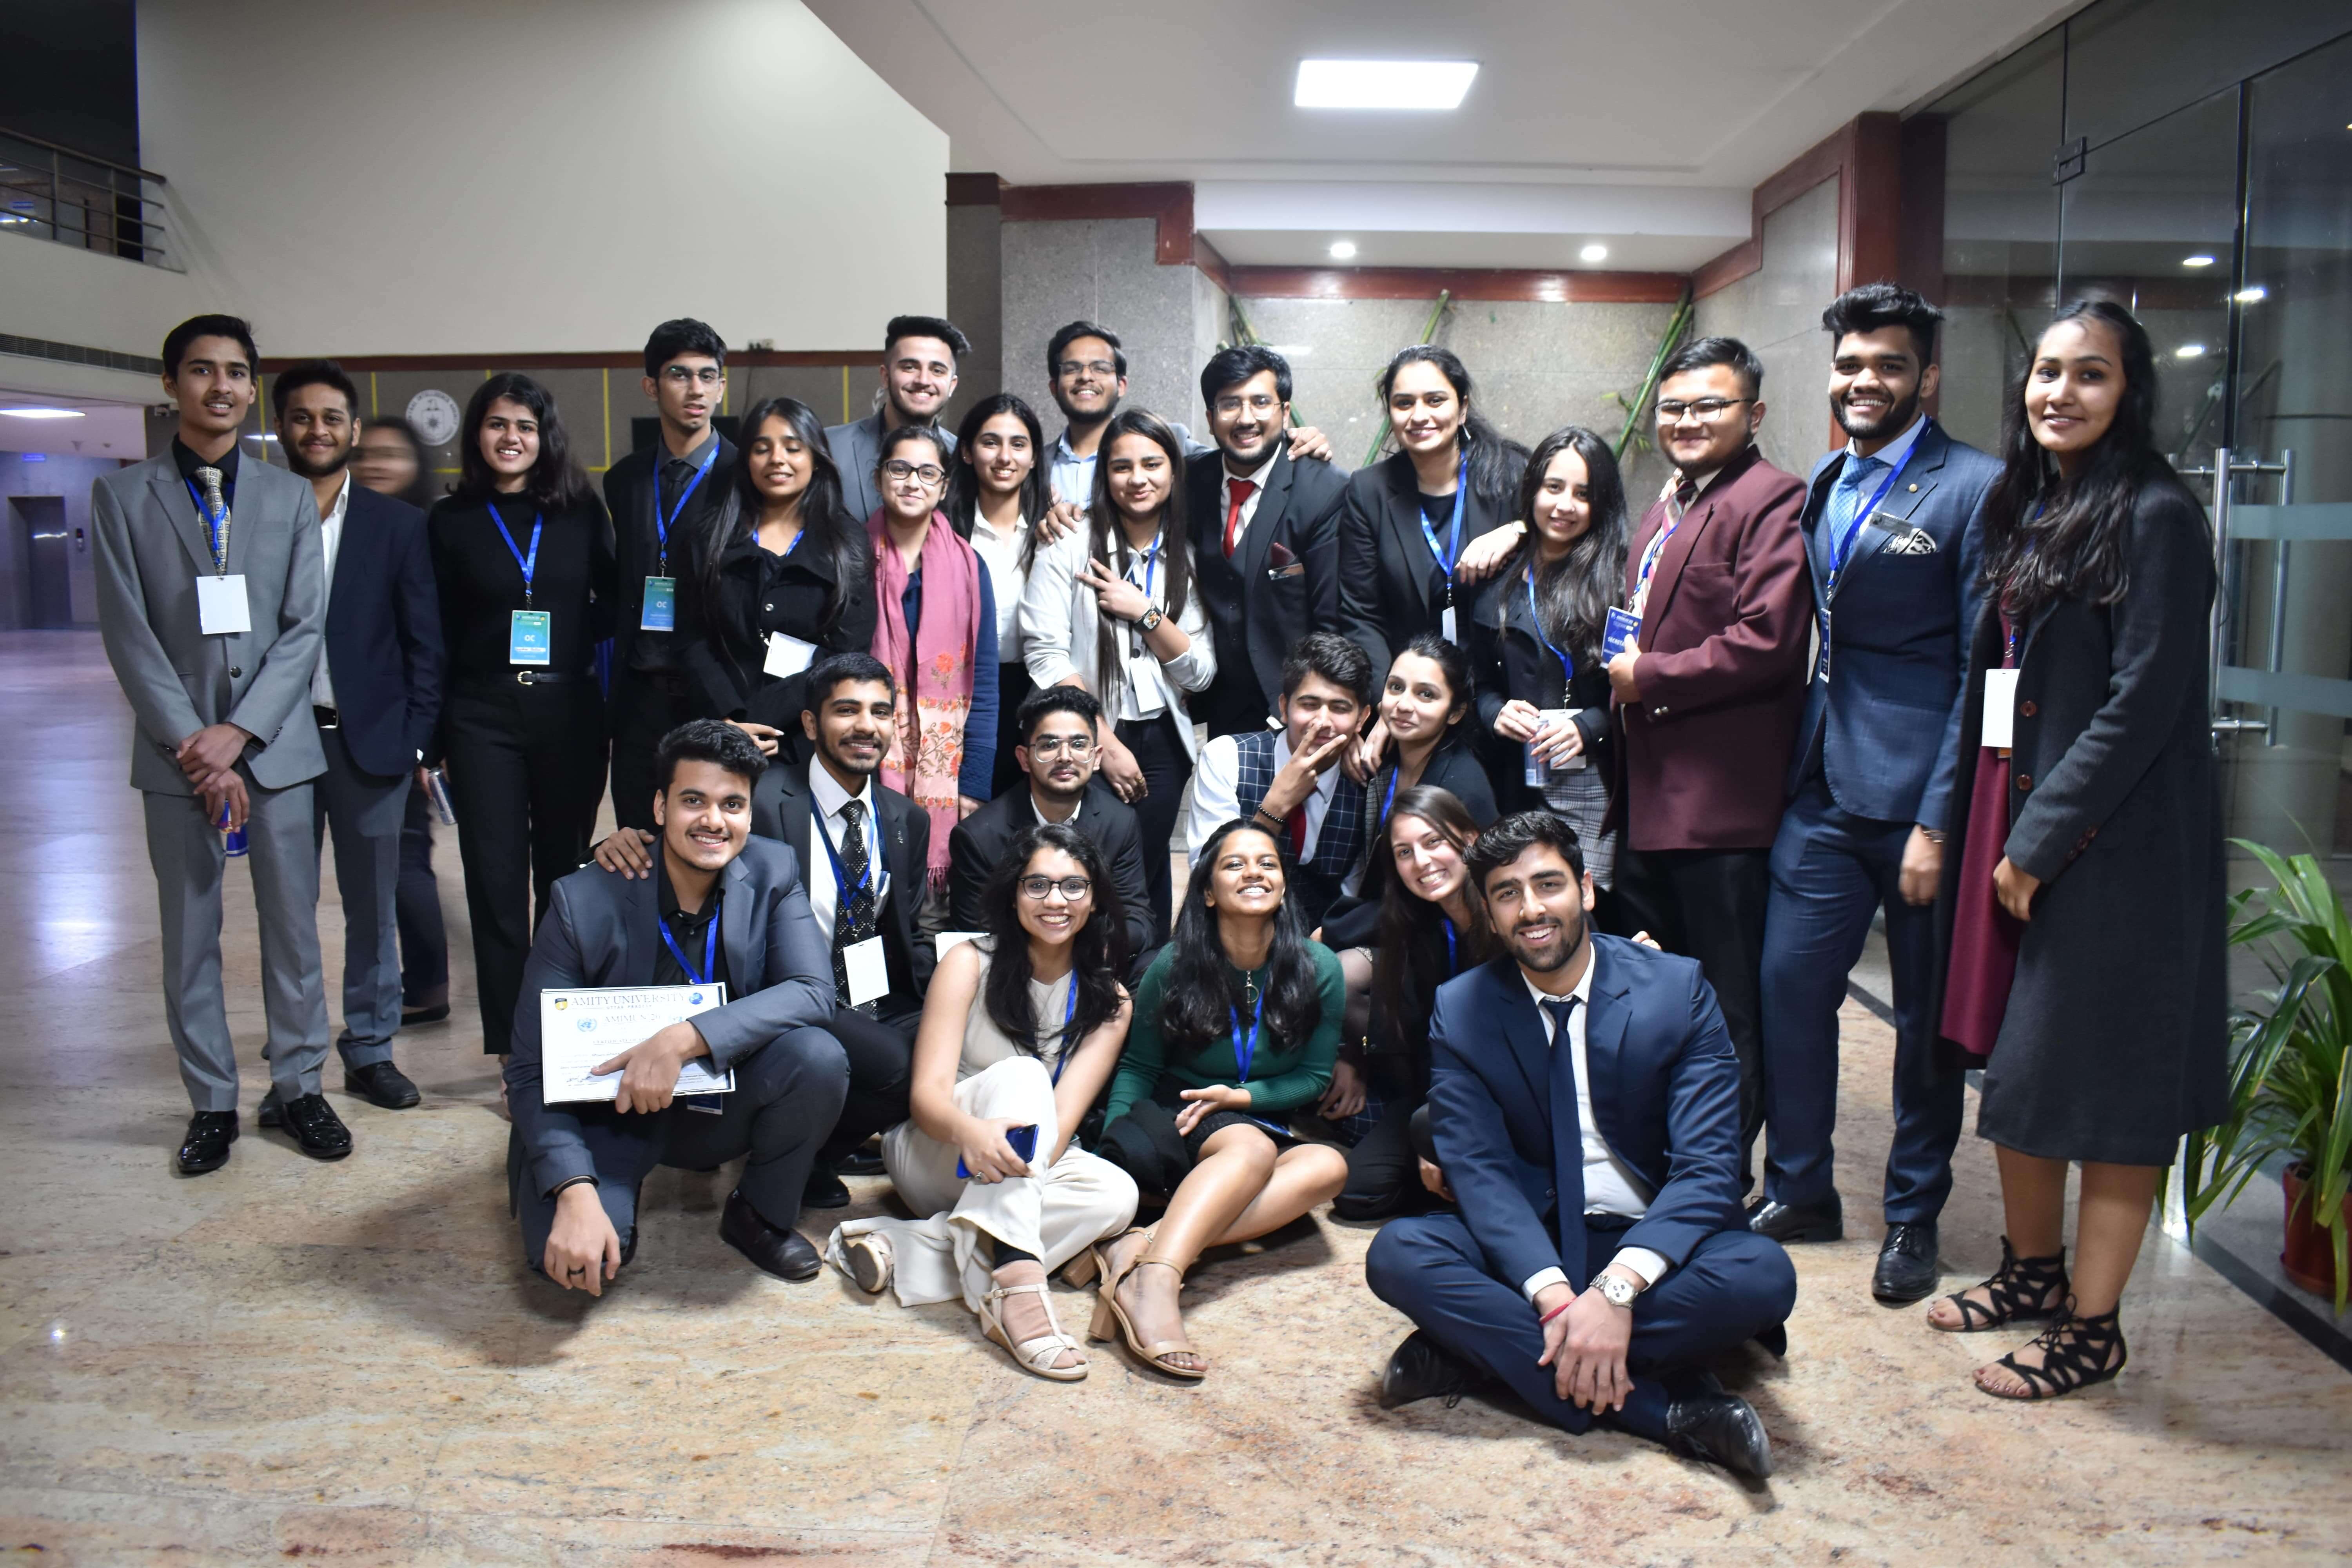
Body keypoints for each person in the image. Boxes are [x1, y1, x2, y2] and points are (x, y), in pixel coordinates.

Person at [1923, 299, 2224, 1401]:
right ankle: (2033, 1271)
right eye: (2047, 371)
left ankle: (2094, 1328)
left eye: (2090, 374)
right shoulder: (2042, 504)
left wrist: (2038, 843)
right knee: (2025, 1072)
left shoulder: (2157, 515)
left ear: (2130, 391)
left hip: (2116, 852)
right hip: (2022, 821)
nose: (2060, 392)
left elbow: (2143, 705)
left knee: (2112, 1090)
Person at [1365, 811, 1798, 1479]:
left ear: (1587, 890)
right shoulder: (1463, 1007)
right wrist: (1560, 1302)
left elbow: (1708, 1170)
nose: (1531, 910)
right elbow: (1481, 1174)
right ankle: (1671, 1411)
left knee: (1763, 1275)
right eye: (1507, 894)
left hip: (1654, 1240)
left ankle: (1479, 1354)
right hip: (1537, 1236)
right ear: (1490, 914)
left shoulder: (1676, 990)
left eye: (1548, 885)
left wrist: (1615, 1293)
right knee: (1399, 1252)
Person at [1751, 285, 1999, 1306]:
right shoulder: (1825, 477)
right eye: (1851, 364)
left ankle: (1913, 1213)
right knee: (1788, 986)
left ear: (1926, 377)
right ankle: (1801, 1187)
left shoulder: (1976, 487)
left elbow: (1985, 668)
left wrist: (1941, 817)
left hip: (1919, 796)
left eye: (1889, 365)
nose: (1865, 381)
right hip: (1821, 783)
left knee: (1924, 1021)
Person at [92, 314, 342, 1172]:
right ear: (172, 384)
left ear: (251, 387)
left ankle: (301, 1087)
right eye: (202, 370)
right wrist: (195, 744)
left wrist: (240, 732)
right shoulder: (124, 497)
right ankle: (210, 1102)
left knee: (294, 931)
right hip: (177, 759)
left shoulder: (288, 496)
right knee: (190, 932)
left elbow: (303, 628)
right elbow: (128, 634)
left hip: (275, 751)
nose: (221, 386)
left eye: (236, 372)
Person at [506, 721, 847, 1290]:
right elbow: (528, 1069)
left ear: (749, 812)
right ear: (661, 807)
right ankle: (608, 1189)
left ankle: (758, 1215)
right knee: (570, 1264)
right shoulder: (581, 899)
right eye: (694, 801)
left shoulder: (774, 869)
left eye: (732, 804)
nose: (714, 820)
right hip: (607, 1107)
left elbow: (813, 990)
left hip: (711, 1096)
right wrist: (574, 1189)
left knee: (818, 1056)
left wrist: (684, 1038)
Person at [606, 654, 929, 1209]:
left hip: (867, 990)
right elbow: (686, 838)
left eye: (880, 712)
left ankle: (814, 1154)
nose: (865, 726)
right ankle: (785, 1149)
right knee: (892, 1061)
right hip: (777, 989)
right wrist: (617, 842)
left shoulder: (906, 819)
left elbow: (909, 925)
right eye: (846, 710)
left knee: (942, 1043)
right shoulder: (762, 797)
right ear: (810, 724)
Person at [829, 825, 1140, 1379]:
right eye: (1038, 885)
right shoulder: (968, 961)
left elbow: (1059, 1127)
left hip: (1024, 1162)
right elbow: (926, 1099)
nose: (1055, 900)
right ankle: (1017, 1286)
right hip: (939, 1149)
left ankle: (904, 1246)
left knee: (1117, 1196)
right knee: (1024, 1074)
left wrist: (1017, 1158)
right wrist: (973, 1134)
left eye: (1073, 886)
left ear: (1094, 900)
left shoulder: (1111, 1001)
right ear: (1013, 894)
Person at [1608, 337, 1809, 1193]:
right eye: (1674, 408)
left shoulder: (1772, 498)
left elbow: (1769, 640)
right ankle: (1669, 1156)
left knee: (1728, 1004)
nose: (1687, 421)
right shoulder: (1669, 505)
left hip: (1719, 806)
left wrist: (1648, 677)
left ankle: (1720, 1176)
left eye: (1709, 406)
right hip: (1649, 792)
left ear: (1753, 414)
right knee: (1664, 994)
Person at [1092, 818, 1350, 1377]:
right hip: (1179, 1113)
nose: (1254, 872)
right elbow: (1139, 1066)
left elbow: (1314, 1077)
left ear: (1283, 884)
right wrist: (1114, 1152)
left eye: (1267, 863)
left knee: (1328, 1166)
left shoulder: (1319, 967)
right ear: (1208, 892)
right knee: (1251, 1149)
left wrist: (1241, 1099)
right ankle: (1157, 1282)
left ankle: (1143, 1246)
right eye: (1235, 864)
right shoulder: (1173, 964)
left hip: (1252, 1117)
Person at [427, 372, 615, 1065]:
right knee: (495, 882)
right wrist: (433, 742)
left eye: (526, 427)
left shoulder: (579, 510)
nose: (512, 438)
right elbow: (435, 630)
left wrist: (568, 637)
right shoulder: (450, 520)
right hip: (482, 715)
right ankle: (513, 1050)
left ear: (546, 437)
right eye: (498, 424)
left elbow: (615, 599)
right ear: (478, 435)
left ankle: (559, 1033)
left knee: (564, 878)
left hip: (569, 709)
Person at [272, 359, 445, 1111]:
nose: (318, 430)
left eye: (332, 418)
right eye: (303, 417)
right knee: (286, 913)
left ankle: (371, 1049)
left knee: (372, 910)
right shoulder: (258, 514)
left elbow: (424, 643)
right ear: (282, 426)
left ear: (352, 427)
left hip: (367, 744)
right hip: (275, 745)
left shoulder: (396, 525)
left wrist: (415, 741)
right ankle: (296, 1057)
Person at [1020, 407, 1214, 941]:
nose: (1137, 478)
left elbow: (1199, 673)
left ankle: (1144, 975)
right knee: (1088, 870)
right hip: (1087, 733)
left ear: (1173, 471)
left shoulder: (1187, 554)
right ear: (1104, 474)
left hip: (1165, 740)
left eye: (1152, 464)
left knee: (1148, 870)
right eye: (1122, 466)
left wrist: (1145, 612)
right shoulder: (1068, 543)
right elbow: (1046, 654)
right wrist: (1100, 740)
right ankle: (1083, 976)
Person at [1468, 426, 1629, 923]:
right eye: (1553, 487)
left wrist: (1588, 727)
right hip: (1515, 780)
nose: (1565, 505)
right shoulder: (1498, 575)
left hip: (1594, 785)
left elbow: (1631, 687)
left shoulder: (1620, 580)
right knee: (1524, 913)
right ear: (1533, 490)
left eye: (1583, 493)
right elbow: (1477, 681)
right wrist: (1495, 712)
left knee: (1584, 914)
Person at [1326, 786, 1495, 1220]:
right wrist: (1353, 1056)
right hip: (1437, 1084)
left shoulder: (1505, 914)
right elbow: (1329, 939)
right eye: (1405, 852)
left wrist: (1438, 1132)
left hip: (1504, 1094)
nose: (1421, 861)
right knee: (1357, 1196)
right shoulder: (1417, 919)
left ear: (1470, 839)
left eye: (1434, 841)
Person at [673, 396, 875, 757]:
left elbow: (847, 652)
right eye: (762, 449)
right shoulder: (711, 536)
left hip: (808, 736)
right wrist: (730, 720)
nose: (777, 459)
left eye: (793, 448)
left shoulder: (847, 543)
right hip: (718, 729)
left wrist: (761, 719)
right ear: (747, 461)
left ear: (816, 459)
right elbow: (692, 638)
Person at [604, 320, 738, 834]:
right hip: (639, 692)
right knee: (640, 837)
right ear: (651, 386)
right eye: (680, 375)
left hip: (712, 691)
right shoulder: (624, 479)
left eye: (708, 376)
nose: (696, 389)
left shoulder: (743, 477)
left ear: (722, 386)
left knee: (707, 837)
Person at [1184, 345, 1351, 739]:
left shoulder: (1324, 490)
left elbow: (1332, 621)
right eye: (1230, 404)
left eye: (1261, 402)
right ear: (1210, 418)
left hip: (1292, 701)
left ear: (1285, 412)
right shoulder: (1189, 479)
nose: (1246, 419)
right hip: (1212, 700)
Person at [1337, 345, 1529, 677]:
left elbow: (1567, 537)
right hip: (1409, 684)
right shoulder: (1369, 491)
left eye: (1435, 401)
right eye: (1404, 403)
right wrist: (1387, 695)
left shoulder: (1510, 474)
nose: (1419, 415)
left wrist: (1518, 531)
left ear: (1463, 408)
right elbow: (1361, 615)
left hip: (1501, 683)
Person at [349, 415, 452, 1026]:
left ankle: (427, 986)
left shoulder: (425, 532)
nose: (375, 464)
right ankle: (415, 984)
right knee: (391, 864)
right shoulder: (348, 527)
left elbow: (431, 645)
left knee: (407, 858)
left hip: (405, 724)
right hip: (359, 722)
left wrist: (426, 741)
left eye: (391, 453)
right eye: (365, 454)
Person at [867, 423, 998, 877]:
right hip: (864, 755)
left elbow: (984, 682)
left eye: (927, 473)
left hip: (947, 769)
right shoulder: (850, 556)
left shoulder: (970, 567)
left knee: (931, 904)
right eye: (899, 469)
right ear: (879, 477)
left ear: (943, 487)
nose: (912, 482)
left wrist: (974, 782)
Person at [948, 686, 1156, 964]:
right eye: (1049, 745)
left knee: (1150, 965)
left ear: (1096, 758)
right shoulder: (979, 835)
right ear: (1024, 758)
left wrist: (1093, 951)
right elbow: (977, 933)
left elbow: (1137, 916)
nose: (1065, 757)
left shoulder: (1120, 821)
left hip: (1096, 959)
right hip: (1011, 967)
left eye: (1079, 745)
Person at [1186, 631, 1372, 933]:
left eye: (1340, 708)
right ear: (1284, 708)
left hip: (1320, 941)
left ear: (1362, 719)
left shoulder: (1366, 785)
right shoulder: (1228, 758)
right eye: (1309, 704)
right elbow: (1205, 876)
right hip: (1228, 934)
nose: (1322, 722)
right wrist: (1274, 808)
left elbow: (1354, 898)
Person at [944, 393, 1048, 796]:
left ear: (1034, 457)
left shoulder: (1054, 531)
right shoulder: (944, 531)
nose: (1005, 457)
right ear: (967, 452)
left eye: (1018, 444)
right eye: (991, 443)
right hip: (962, 692)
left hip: (1036, 689)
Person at [828, 315, 967, 523]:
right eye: (910, 367)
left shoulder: (961, 459)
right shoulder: (830, 447)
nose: (923, 380)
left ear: (952, 386)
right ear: (885, 377)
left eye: (937, 371)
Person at [1360, 633, 1497, 831]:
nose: (1403, 705)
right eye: (1396, 687)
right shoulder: (1382, 757)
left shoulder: (1464, 789)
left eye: (1426, 694)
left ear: (1455, 713)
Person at [351, 415, 438, 512]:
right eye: (359, 456)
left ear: (417, 462)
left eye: (388, 455)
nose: (368, 465)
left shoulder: (439, 519)